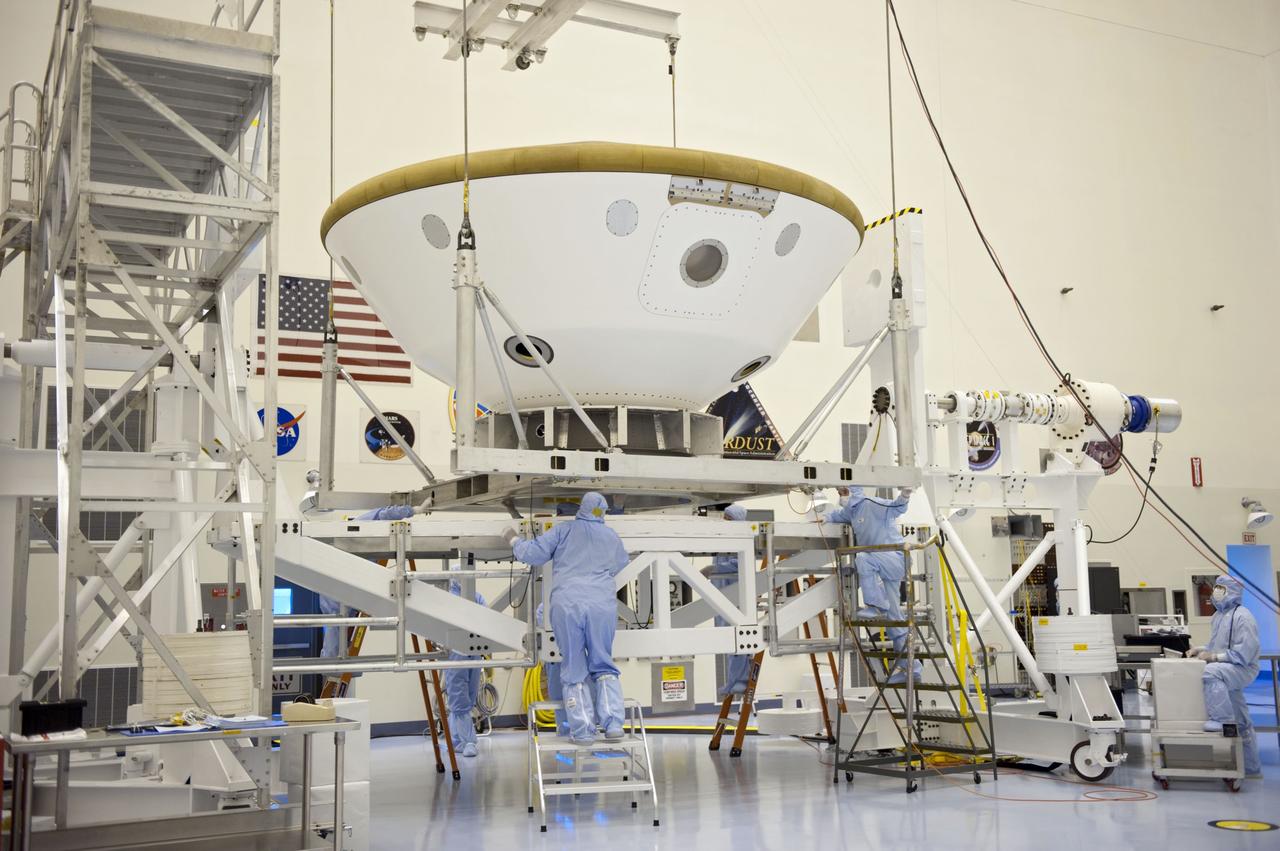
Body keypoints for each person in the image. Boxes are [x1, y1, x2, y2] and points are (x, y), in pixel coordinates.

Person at [506, 492, 630, 744]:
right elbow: (620, 564)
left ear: (580, 508)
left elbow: (534, 554)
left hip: (568, 604)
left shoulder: (565, 530)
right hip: (602, 605)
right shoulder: (611, 536)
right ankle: (613, 724)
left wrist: (513, 539)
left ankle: (582, 730)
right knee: (604, 664)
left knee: (573, 665)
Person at [821, 485, 919, 684]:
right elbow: (839, 515)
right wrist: (825, 518)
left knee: (863, 558)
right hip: (882, 561)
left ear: (854, 491)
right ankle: (913, 669)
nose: (841, 496)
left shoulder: (870, 504)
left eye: (844, 492)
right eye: (839, 493)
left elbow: (895, 508)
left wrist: (905, 494)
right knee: (894, 617)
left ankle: (875, 604)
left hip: (895, 557)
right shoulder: (853, 511)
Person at [320, 501, 428, 657]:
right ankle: (333, 668)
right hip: (339, 596)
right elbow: (386, 514)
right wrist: (414, 510)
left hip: (341, 595)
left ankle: (335, 667)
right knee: (337, 633)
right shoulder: (371, 521)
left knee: (338, 634)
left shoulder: (364, 533)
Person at [1189, 575, 1261, 777]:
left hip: (1242, 667)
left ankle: (1221, 719)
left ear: (1232, 590)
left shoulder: (1243, 616)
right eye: (1216, 587)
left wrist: (1213, 657)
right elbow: (1216, 646)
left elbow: (1244, 653)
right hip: (1229, 665)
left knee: (1211, 672)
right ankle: (1251, 767)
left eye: (1221, 587)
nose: (1216, 591)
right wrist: (1201, 650)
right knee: (1242, 719)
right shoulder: (1219, 616)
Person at [705, 504, 753, 698]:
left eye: (728, 518)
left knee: (738, 641)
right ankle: (733, 680)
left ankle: (740, 681)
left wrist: (713, 569)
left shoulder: (741, 540)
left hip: (735, 597)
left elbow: (741, 562)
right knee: (727, 640)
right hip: (722, 597)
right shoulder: (725, 540)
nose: (724, 521)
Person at [444, 579, 487, 758]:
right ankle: (467, 740)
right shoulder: (448, 599)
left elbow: (486, 619)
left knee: (469, 693)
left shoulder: (477, 597)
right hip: (456, 651)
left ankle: (458, 739)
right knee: (458, 695)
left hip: (474, 648)